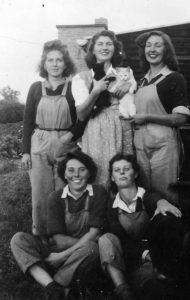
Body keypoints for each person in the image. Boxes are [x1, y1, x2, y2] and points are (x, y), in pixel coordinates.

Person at [11, 151, 108, 300]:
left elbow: (94, 234)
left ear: (89, 173)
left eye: (82, 170)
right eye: (71, 170)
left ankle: (54, 284)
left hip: (79, 255)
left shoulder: (99, 193)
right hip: (58, 252)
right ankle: (55, 287)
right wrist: (82, 243)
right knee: (18, 239)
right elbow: (59, 240)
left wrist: (61, 257)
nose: (76, 175)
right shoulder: (56, 197)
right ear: (64, 174)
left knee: (93, 249)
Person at [99, 153, 184, 300]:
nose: (122, 172)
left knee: (157, 282)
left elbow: (153, 199)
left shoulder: (148, 196)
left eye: (126, 169)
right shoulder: (111, 207)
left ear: (136, 173)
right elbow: (120, 240)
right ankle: (123, 291)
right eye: (117, 170)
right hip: (127, 260)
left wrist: (160, 202)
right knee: (106, 238)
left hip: (155, 261)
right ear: (112, 177)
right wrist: (144, 254)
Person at [21, 40, 83, 237]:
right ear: (44, 64)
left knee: (64, 193)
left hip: (66, 143)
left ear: (66, 64)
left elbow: (82, 119)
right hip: (39, 142)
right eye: (50, 60)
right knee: (40, 195)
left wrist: (69, 137)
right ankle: (40, 236)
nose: (55, 64)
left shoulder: (74, 87)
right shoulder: (36, 88)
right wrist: (24, 152)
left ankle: (63, 237)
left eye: (59, 60)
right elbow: (28, 121)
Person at [132, 30, 190, 203]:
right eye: (148, 45)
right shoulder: (140, 82)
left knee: (166, 196)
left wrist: (148, 117)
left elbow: (181, 118)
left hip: (164, 147)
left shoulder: (174, 78)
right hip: (141, 147)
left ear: (166, 50)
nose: (152, 49)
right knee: (147, 196)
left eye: (158, 45)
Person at [72, 30, 134, 187]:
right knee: (98, 176)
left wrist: (130, 85)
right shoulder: (81, 78)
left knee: (123, 174)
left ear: (115, 48)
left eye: (109, 44)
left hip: (121, 128)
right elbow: (81, 114)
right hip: (95, 129)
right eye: (100, 44)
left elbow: (134, 96)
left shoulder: (125, 73)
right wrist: (95, 91)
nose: (104, 47)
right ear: (93, 49)